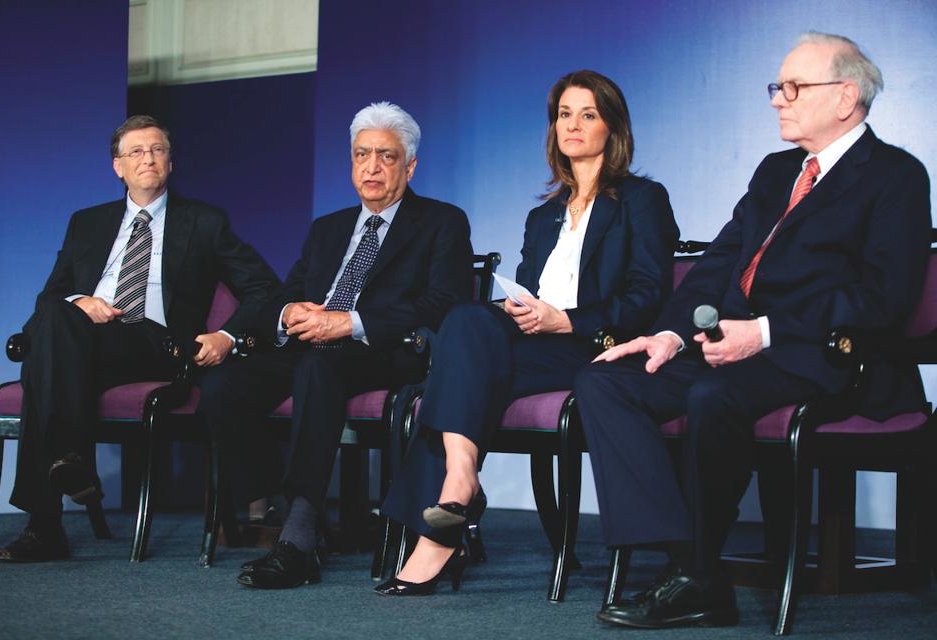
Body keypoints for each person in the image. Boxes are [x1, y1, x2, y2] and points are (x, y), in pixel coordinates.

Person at [576, 32, 931, 629]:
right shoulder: (775, 171)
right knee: (606, 381)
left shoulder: (895, 176)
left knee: (714, 396)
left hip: (825, 355)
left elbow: (881, 299)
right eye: (777, 87)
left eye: (793, 87)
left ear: (846, 96)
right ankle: (690, 564)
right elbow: (719, 263)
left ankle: (692, 575)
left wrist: (764, 332)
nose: (777, 99)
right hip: (734, 346)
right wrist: (668, 335)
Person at [375, 70, 679, 596]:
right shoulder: (542, 217)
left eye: (588, 114)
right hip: (535, 343)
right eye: (565, 114)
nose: (573, 125)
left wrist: (567, 319)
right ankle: (461, 480)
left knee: (451, 377)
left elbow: (648, 296)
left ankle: (440, 531)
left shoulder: (641, 200)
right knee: (470, 320)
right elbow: (530, 292)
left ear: (613, 126)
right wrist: (522, 311)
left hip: (592, 348)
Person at [197, 102, 473, 589]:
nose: (371, 166)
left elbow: (442, 303)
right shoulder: (327, 228)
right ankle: (288, 504)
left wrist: (352, 322)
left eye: (386, 156)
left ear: (409, 167)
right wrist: (289, 314)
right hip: (311, 345)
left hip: (386, 350)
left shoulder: (441, 222)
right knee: (224, 386)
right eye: (361, 154)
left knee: (318, 367)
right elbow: (287, 291)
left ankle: (298, 540)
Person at [0, 115, 281, 562]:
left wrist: (228, 335)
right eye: (135, 152)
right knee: (55, 318)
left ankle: (45, 521)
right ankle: (65, 469)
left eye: (157, 150)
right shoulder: (87, 222)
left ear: (170, 163)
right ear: (118, 166)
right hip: (85, 341)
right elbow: (50, 295)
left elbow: (264, 288)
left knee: (44, 354)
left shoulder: (204, 221)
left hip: (157, 344)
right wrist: (80, 301)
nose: (147, 158)